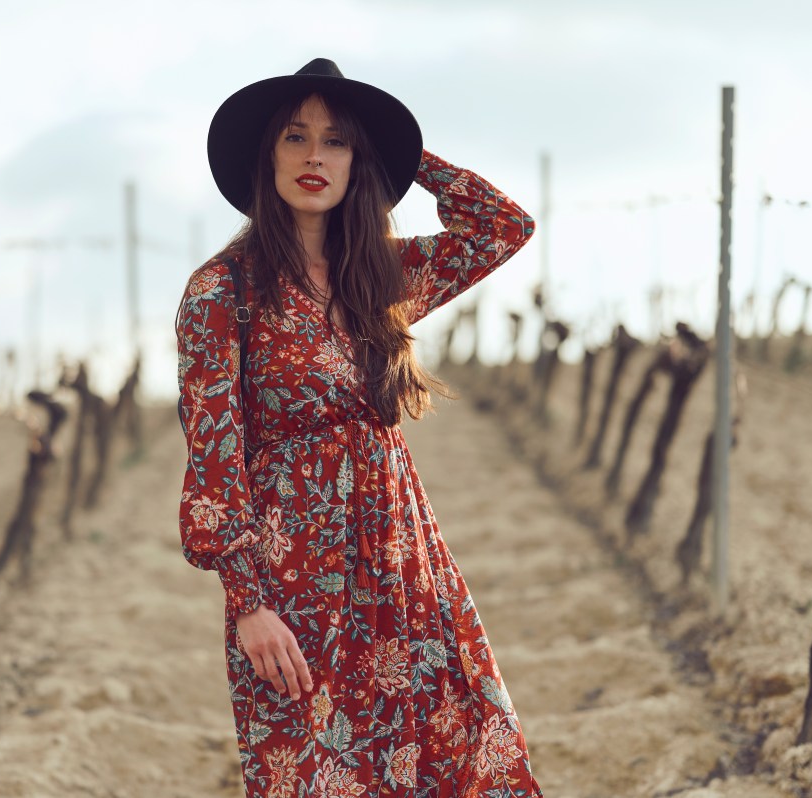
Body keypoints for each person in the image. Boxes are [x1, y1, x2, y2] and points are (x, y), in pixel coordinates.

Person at [176, 58, 543, 798]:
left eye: (338, 141)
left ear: (358, 161)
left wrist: (404, 157)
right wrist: (248, 604)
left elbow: (504, 226)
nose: (315, 156)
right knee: (315, 774)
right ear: (266, 155)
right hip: (294, 583)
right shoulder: (224, 291)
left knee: (447, 751)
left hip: (401, 559)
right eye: (295, 136)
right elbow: (213, 455)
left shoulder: (381, 278)